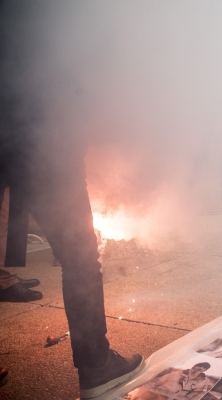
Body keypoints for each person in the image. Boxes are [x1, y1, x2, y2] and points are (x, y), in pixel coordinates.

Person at [0, 7, 144, 397]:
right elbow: (91, 48)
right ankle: (97, 365)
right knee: (79, 256)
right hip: (40, 133)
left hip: (17, 124)